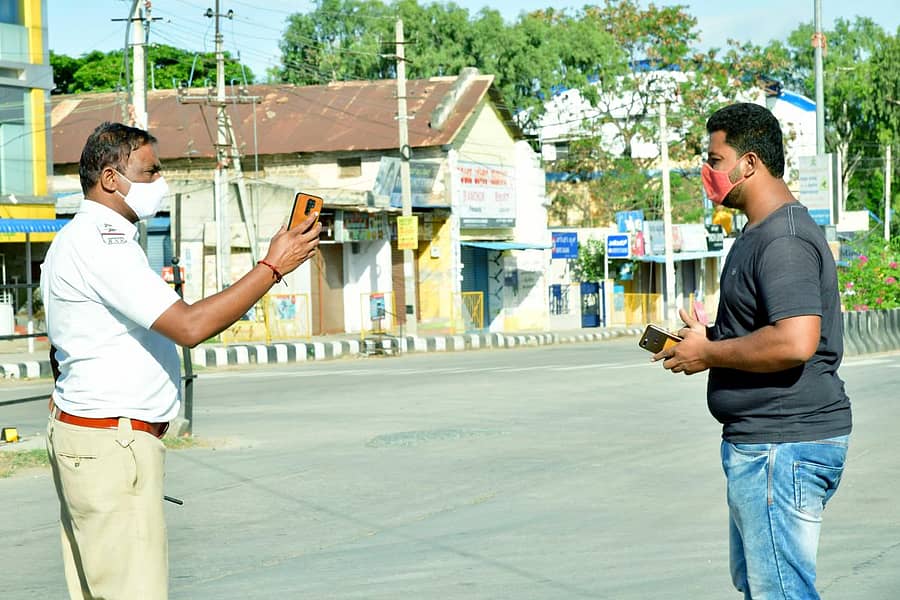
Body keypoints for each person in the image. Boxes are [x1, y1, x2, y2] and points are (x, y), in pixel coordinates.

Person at [41, 121, 321, 599]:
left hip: (94, 435)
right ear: (111, 179)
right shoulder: (102, 244)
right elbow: (190, 326)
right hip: (112, 442)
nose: (160, 183)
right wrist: (272, 267)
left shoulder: (82, 238)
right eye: (150, 173)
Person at [654, 103, 851, 599]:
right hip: (765, 446)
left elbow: (796, 340)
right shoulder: (757, 234)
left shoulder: (782, 239)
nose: (707, 172)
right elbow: (766, 327)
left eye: (714, 159)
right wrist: (710, 337)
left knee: (779, 592)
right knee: (762, 587)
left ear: (750, 163)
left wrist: (711, 355)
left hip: (781, 447)